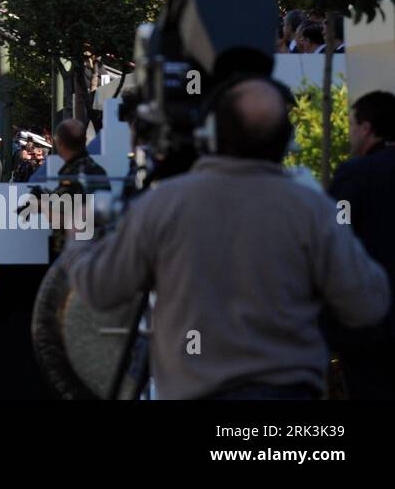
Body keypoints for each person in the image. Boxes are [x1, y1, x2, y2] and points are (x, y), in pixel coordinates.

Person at [65, 78, 390, 399]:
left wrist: (80, 235)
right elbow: (367, 303)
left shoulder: (162, 206)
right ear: (284, 140)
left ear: (211, 134)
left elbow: (100, 289)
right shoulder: (311, 208)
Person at [328, 90, 395, 399]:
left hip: (372, 327)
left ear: (366, 128)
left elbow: (335, 239)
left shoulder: (356, 175)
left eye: (352, 125)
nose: (352, 133)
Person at [51, 119, 111, 193]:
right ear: (85, 140)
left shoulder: (75, 173)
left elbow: (65, 202)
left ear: (60, 143)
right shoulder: (97, 170)